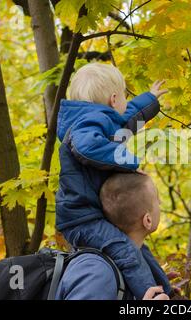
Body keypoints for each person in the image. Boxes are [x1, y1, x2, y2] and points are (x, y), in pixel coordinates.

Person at [55, 62, 172, 299]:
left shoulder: (97, 121)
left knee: (139, 252)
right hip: (82, 219)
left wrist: (150, 100)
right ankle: (148, 296)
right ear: (114, 99)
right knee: (126, 251)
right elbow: (86, 147)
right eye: (126, 98)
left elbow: (126, 122)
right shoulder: (86, 125)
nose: (126, 104)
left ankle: (166, 293)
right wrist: (128, 161)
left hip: (89, 215)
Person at [55, 173, 169, 300]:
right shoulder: (97, 271)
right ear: (147, 220)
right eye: (156, 199)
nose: (160, 201)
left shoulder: (131, 270)